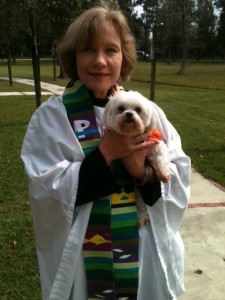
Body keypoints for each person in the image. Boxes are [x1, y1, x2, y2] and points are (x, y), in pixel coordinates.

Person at [21, 6, 191, 300]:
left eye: (110, 50)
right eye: (88, 50)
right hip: (85, 260)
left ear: (123, 57)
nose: (99, 61)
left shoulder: (149, 112)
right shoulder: (50, 119)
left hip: (143, 256)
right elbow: (46, 192)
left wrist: (141, 171)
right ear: (73, 56)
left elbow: (176, 178)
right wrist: (106, 154)